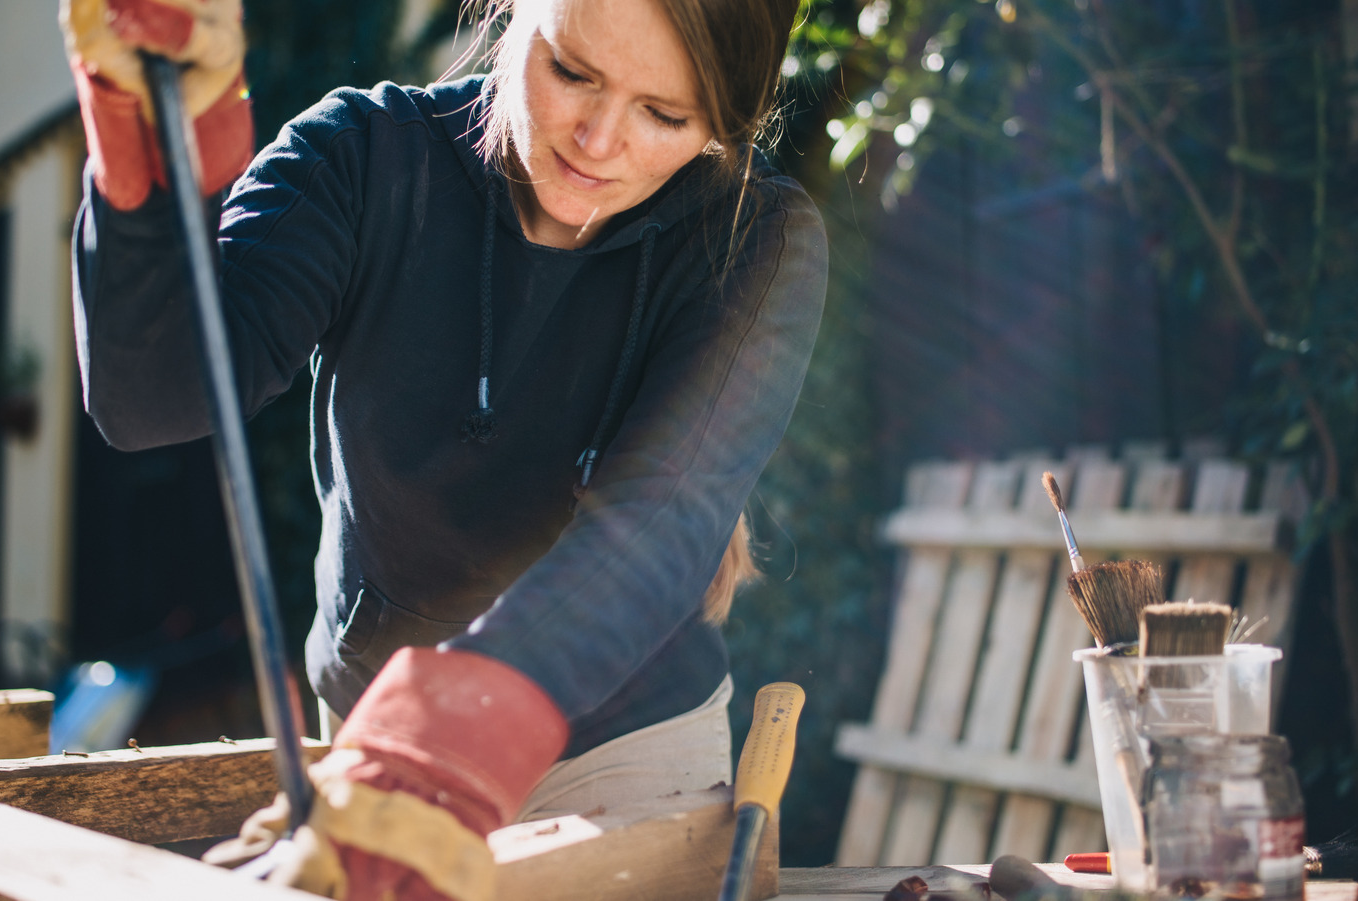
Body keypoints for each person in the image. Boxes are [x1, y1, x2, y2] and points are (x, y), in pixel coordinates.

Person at [59, 0, 824, 896]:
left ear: (726, 122)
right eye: (573, 72)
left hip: (625, 754)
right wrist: (143, 166)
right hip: (376, 742)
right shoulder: (363, 156)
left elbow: (657, 527)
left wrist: (449, 732)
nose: (600, 138)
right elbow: (153, 396)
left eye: (665, 115)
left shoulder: (756, 239)